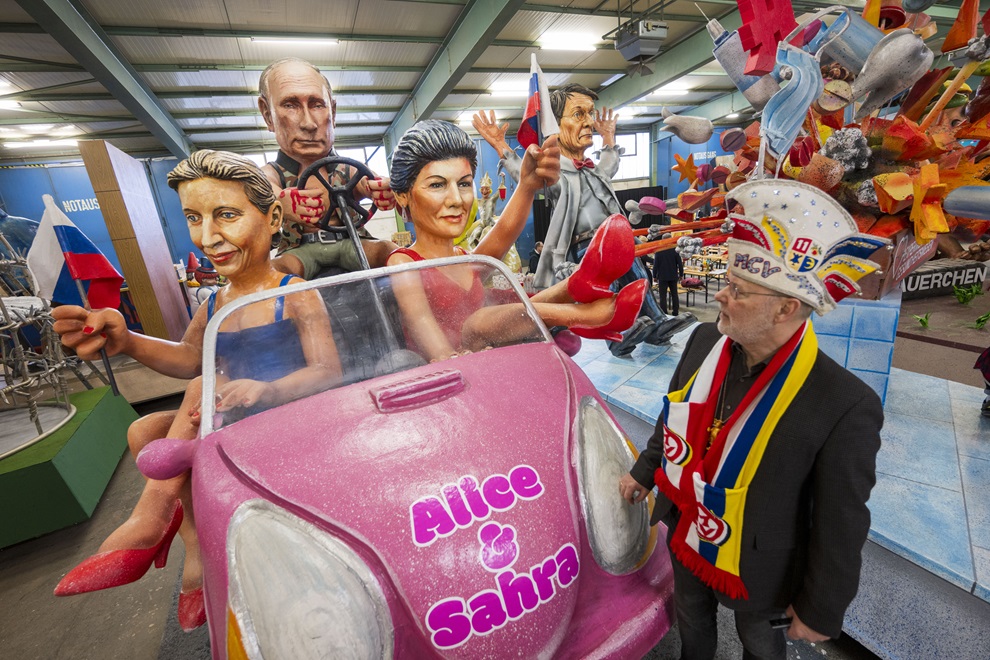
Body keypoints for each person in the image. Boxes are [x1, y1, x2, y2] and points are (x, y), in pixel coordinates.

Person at [50, 150, 341, 631]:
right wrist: (126, 340)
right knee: (145, 431)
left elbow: (327, 370)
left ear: (270, 218)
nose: (207, 238)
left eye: (226, 215)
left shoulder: (295, 293)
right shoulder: (215, 300)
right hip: (229, 417)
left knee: (206, 384)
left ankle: (152, 522)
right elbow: (187, 356)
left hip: (288, 417)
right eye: (193, 218)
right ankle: (191, 542)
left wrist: (267, 388)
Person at [618, 180, 886, 660]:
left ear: (787, 307)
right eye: (726, 283)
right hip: (685, 522)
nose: (721, 296)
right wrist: (644, 471)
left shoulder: (844, 403)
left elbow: (840, 522)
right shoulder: (703, 341)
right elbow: (672, 415)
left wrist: (820, 609)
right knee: (692, 627)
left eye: (737, 290)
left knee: (761, 647)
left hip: (762, 562)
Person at [385, 120, 646, 363]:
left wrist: (527, 185)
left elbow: (503, 233)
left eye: (464, 184)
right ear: (403, 195)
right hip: (448, 375)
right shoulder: (403, 263)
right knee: (476, 323)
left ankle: (578, 283)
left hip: (491, 361)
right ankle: (590, 317)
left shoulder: (466, 257)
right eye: (437, 185)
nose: (456, 199)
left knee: (511, 308)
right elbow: (418, 319)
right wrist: (451, 359)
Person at [473, 85, 694, 357]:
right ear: (555, 126)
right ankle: (618, 336)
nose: (589, 122)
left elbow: (609, 165)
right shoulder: (554, 173)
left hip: (617, 240)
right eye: (578, 114)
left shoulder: (594, 170)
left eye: (590, 114)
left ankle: (658, 322)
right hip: (586, 246)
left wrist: (609, 137)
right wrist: (500, 145)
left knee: (639, 277)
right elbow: (525, 174)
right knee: (606, 290)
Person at [257, 57, 398, 277]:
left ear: (332, 111)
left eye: (317, 104)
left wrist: (379, 189)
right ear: (267, 114)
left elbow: (366, 182)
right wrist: (282, 201)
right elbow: (264, 190)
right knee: (271, 275)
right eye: (290, 105)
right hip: (300, 251)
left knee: (392, 253)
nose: (309, 124)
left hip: (353, 242)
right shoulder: (272, 173)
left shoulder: (347, 168)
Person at [652, 247, 683, 316]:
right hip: (673, 276)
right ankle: (675, 311)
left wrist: (654, 276)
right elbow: (680, 264)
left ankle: (664, 312)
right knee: (674, 294)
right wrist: (681, 274)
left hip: (662, 277)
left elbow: (655, 265)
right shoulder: (675, 251)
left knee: (663, 296)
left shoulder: (659, 251)